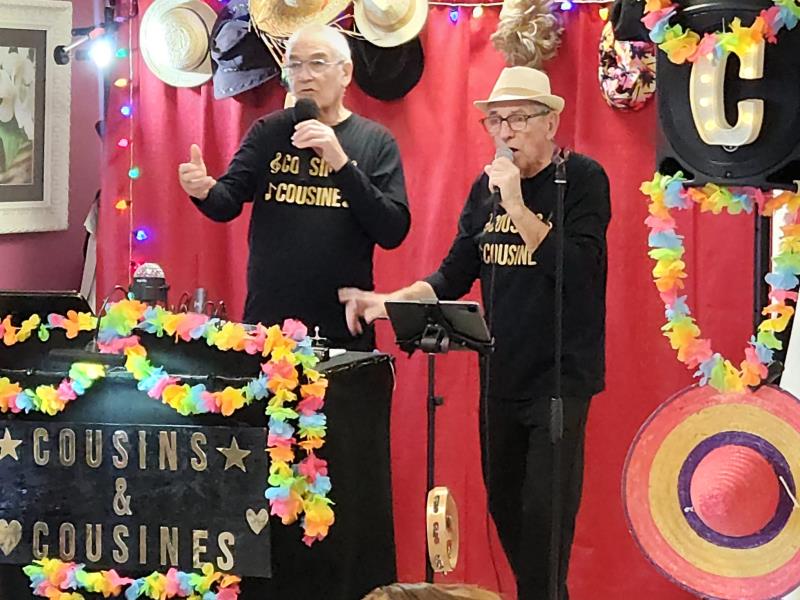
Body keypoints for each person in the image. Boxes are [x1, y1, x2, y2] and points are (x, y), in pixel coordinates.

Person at [339, 66, 610, 599]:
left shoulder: (580, 179)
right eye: (496, 121)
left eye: (518, 119)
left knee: (545, 522)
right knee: (506, 508)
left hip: (559, 380)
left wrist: (518, 205)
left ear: (550, 122)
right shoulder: (484, 190)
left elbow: (577, 271)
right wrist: (388, 302)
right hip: (501, 375)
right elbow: (453, 274)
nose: (505, 132)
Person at [178, 24, 410, 350]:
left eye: (317, 63)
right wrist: (203, 190)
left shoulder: (375, 141)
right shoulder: (268, 132)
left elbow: (392, 230)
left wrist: (341, 164)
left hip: (342, 328)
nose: (304, 75)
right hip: (269, 328)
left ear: (345, 73)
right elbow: (227, 201)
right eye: (295, 65)